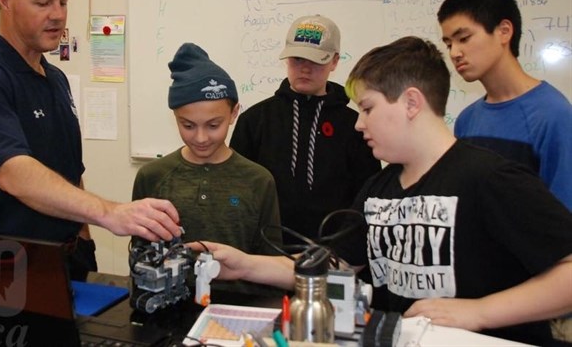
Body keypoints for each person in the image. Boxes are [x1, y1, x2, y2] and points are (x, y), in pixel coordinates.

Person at [191, 37, 572, 346]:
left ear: (410, 102)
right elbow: (336, 266)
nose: (359, 124)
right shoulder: (379, 190)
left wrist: (478, 311)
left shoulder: (489, 177)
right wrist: (244, 263)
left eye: (368, 108)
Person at [0, 0, 181, 281]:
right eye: (43, 3)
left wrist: (84, 242)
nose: (58, 14)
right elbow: (14, 174)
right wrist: (109, 212)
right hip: (6, 272)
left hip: (68, 259)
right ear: (5, 1)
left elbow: (70, 173)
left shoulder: (54, 78)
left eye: (64, 2)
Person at [131, 43, 283, 295]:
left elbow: (271, 263)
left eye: (213, 125)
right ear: (175, 117)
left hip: (241, 311)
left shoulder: (258, 180)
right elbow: (140, 257)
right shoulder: (152, 177)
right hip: (169, 311)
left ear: (234, 113)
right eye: (188, 125)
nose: (201, 137)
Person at [230, 15, 381, 245]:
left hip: (334, 253)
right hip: (265, 249)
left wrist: (346, 248)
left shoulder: (357, 126)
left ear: (334, 61)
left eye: (316, 60)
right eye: (297, 59)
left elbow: (366, 197)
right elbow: (236, 192)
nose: (305, 69)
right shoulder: (255, 120)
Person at [438, 0, 572, 211]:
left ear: (504, 31)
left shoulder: (553, 115)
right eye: (449, 43)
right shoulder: (467, 120)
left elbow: (563, 218)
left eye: (464, 38)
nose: (454, 53)